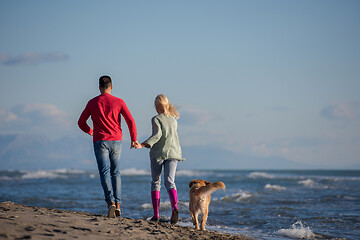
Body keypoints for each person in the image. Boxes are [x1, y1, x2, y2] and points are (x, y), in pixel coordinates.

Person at [78, 75, 138, 218]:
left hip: (100, 141)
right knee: (115, 172)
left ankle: (110, 203)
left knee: (104, 172)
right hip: (116, 140)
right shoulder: (119, 101)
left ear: (99, 88)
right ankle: (118, 205)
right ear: (111, 87)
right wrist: (134, 139)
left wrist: (90, 131)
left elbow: (81, 122)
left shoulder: (92, 102)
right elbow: (130, 121)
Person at [136, 94, 184, 224]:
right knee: (170, 181)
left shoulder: (156, 119)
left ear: (156, 107)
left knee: (155, 182)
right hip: (173, 153)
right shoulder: (174, 119)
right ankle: (175, 207)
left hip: (158, 153)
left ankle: (156, 214)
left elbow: (157, 135)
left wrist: (143, 144)